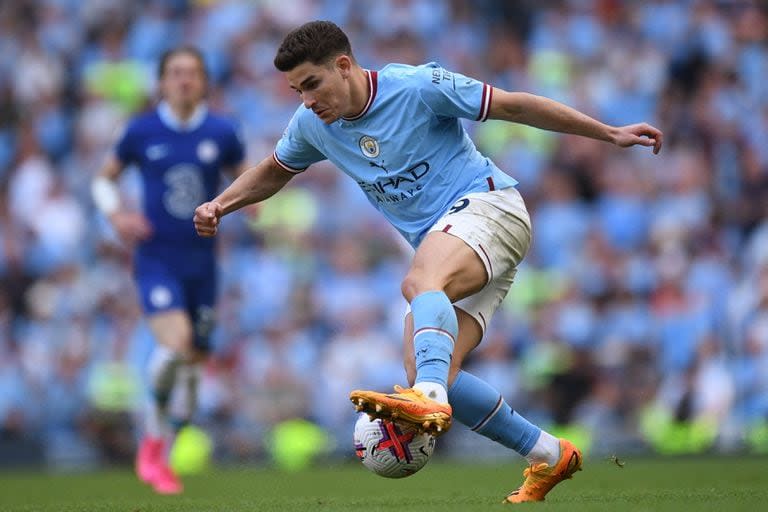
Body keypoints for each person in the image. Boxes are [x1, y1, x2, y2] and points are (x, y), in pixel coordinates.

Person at [193, 21, 663, 503]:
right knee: (428, 363)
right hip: (455, 242)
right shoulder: (313, 126)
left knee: (422, 283)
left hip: (491, 208)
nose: (307, 100)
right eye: (296, 91)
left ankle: (429, 399)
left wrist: (608, 132)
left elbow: (513, 104)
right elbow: (273, 172)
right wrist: (220, 205)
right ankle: (547, 453)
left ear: (344, 65)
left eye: (312, 84)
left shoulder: (417, 86)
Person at [92, 46, 246, 494]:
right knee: (174, 346)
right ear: (161, 81)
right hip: (156, 256)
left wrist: (248, 206)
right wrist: (116, 214)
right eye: (176, 73)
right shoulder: (140, 131)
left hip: (203, 263)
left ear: (203, 82)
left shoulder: (222, 131)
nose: (184, 81)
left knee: (194, 370)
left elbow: (241, 176)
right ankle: (153, 444)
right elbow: (103, 178)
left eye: (192, 73)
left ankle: (166, 440)